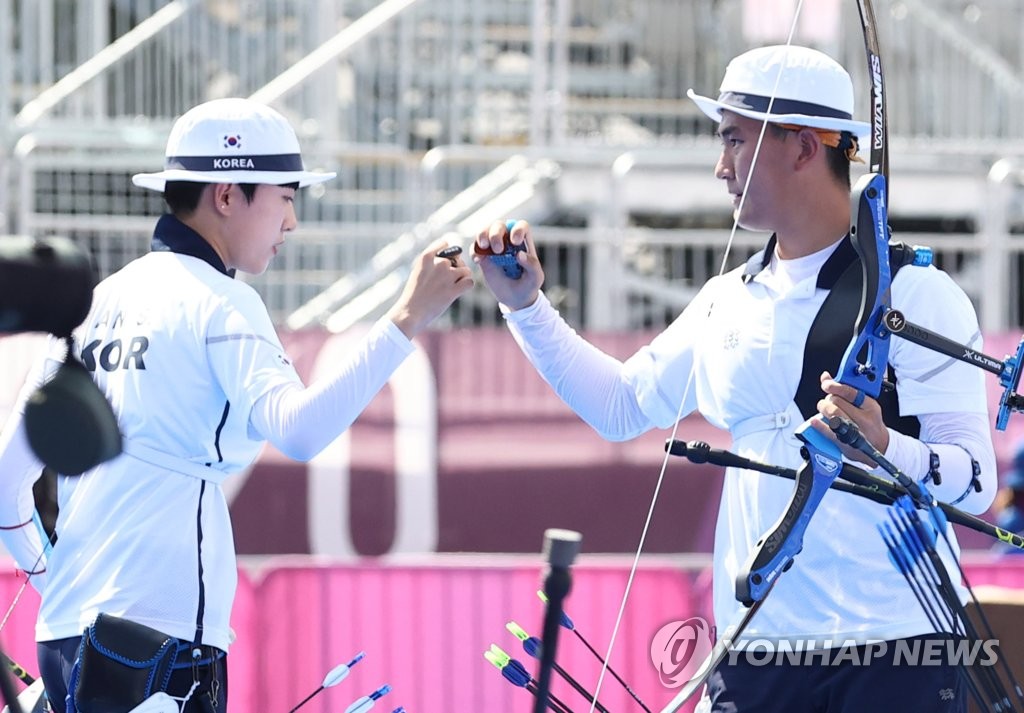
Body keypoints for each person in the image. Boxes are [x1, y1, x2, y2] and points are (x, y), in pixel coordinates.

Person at [474, 45, 995, 712]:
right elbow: (620, 404)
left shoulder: (920, 295)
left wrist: (887, 446)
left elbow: (977, 480)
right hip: (758, 651)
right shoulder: (728, 296)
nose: (721, 166)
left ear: (804, 147)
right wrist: (526, 307)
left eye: (734, 139)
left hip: (898, 649)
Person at [0, 97, 473, 712]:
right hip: (159, 642)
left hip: (60, 636)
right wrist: (409, 317)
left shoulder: (93, 301)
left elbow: (7, 481)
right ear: (227, 196)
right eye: (285, 195)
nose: (292, 221)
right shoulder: (221, 300)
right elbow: (301, 432)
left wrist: (55, 578)